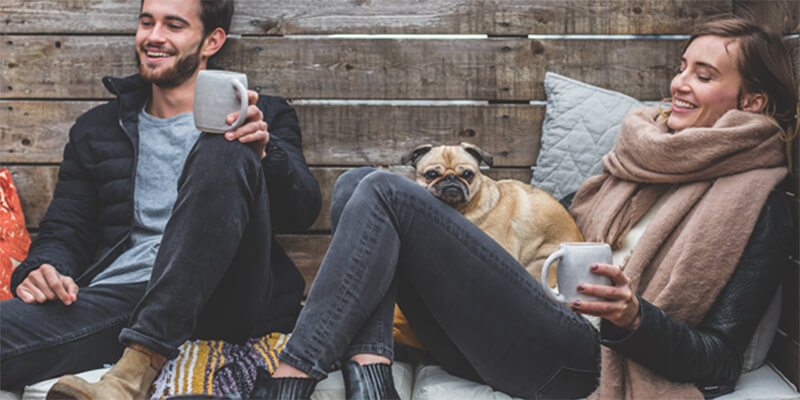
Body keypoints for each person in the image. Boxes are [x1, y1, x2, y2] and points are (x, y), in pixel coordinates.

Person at [251, 17, 797, 399]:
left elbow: (721, 361)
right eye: (681, 67)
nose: (678, 84)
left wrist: (635, 318)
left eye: (703, 75)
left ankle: (293, 374)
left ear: (752, 102)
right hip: (518, 331)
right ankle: (372, 376)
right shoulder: (645, 155)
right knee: (355, 185)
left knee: (383, 190)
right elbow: (563, 221)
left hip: (583, 362)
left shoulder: (757, 202)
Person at [0, 0, 321, 398]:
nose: (154, 37)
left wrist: (265, 152)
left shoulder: (260, 115)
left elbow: (303, 210)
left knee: (226, 142)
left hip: (225, 294)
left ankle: (137, 368)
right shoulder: (97, 129)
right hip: (124, 299)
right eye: (147, 22)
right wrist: (43, 268)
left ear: (212, 41)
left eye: (173, 25)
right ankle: (141, 347)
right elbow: (66, 230)